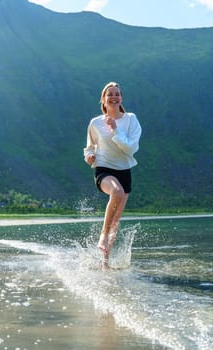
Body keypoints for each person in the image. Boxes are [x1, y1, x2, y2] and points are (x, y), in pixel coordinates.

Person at [84, 82, 142, 267]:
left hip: (124, 170)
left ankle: (105, 263)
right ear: (103, 99)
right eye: (110, 94)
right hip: (104, 169)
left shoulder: (131, 119)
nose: (114, 97)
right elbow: (89, 147)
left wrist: (115, 128)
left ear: (121, 98)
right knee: (116, 192)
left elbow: (131, 148)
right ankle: (102, 236)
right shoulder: (95, 123)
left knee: (115, 223)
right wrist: (89, 156)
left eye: (117, 94)